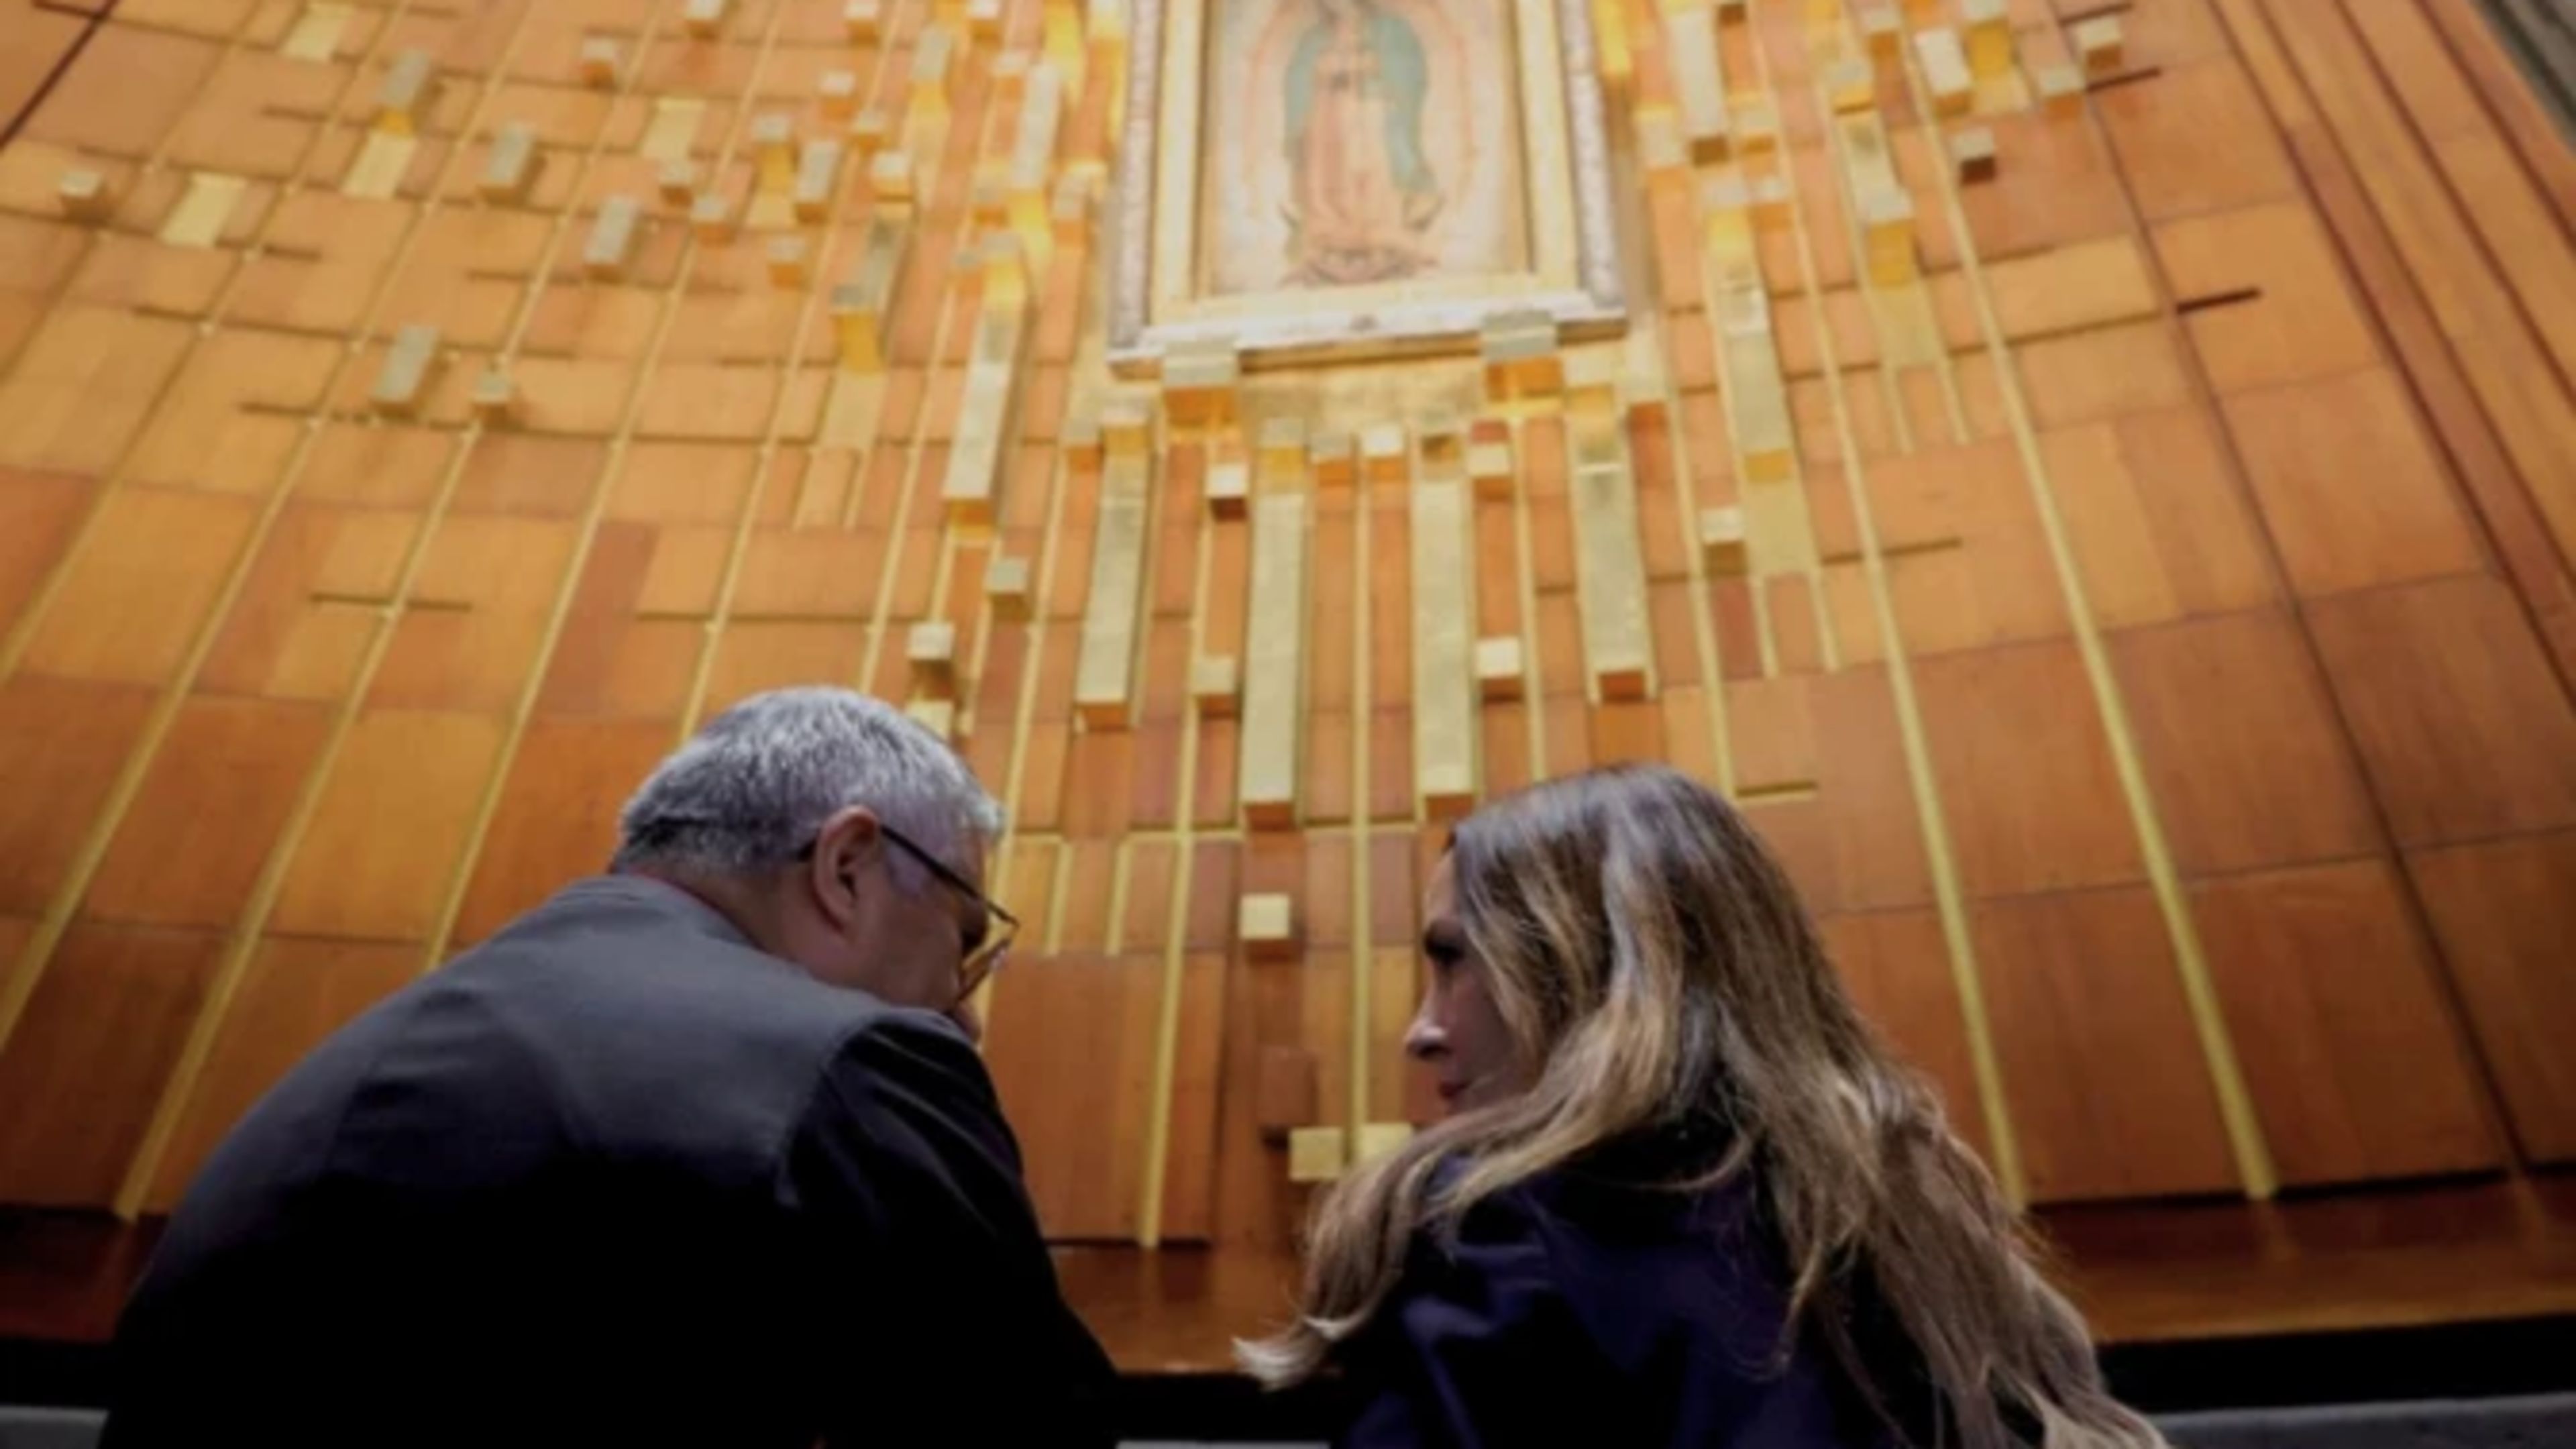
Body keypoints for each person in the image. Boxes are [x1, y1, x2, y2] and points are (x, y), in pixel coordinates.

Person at [105, 688, 1114, 1448]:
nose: (966, 1011)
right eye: (965, 935)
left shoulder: (321, 1087)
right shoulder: (849, 1063)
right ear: (847, 867)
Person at [1242, 764, 2165, 1449]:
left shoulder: (1496, 1228)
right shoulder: (1918, 1228)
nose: (1422, 1032)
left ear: (1583, 975)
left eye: (1454, 963)